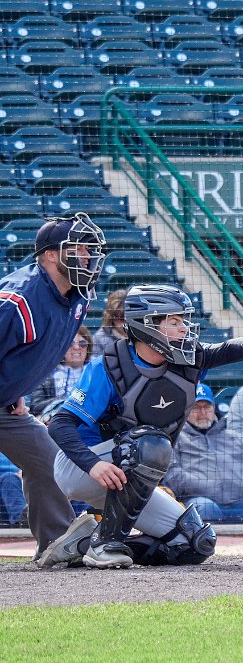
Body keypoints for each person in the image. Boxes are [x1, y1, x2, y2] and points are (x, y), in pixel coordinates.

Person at [37, 285, 243, 569]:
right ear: (147, 325)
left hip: (128, 475)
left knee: (194, 544)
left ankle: (84, 542)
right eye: (175, 321)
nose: (184, 328)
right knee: (150, 444)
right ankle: (105, 544)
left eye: (184, 320)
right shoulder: (109, 365)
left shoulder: (188, 358)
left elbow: (224, 350)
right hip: (81, 467)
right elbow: (60, 424)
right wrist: (93, 464)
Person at [0, 212, 106, 560]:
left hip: (5, 407)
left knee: (50, 463)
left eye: (89, 250)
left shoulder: (78, 297)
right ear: (50, 255)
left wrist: (13, 391)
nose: (87, 256)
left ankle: (57, 544)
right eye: (78, 249)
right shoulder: (17, 300)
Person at [163, 383, 243, 524]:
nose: (202, 413)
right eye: (196, 407)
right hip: (200, 501)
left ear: (214, 408)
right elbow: (173, 478)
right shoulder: (176, 439)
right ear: (186, 410)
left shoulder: (236, 437)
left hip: (242, 503)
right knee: (206, 508)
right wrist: (211, 486)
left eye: (207, 407)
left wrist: (239, 485)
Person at [29, 326, 92, 417]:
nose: (76, 347)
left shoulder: (96, 373)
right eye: (70, 343)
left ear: (88, 348)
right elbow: (35, 407)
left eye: (82, 343)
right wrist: (65, 400)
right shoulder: (45, 373)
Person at [90, 288, 127, 358]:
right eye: (121, 318)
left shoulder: (141, 336)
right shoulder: (99, 339)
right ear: (111, 317)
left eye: (128, 318)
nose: (125, 322)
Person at [0, 451, 27, 526]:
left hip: (22, 484)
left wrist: (26, 471)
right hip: (6, 487)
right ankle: (21, 519)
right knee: (9, 478)